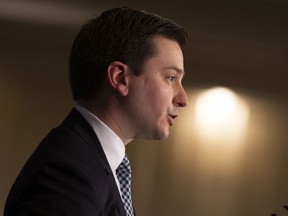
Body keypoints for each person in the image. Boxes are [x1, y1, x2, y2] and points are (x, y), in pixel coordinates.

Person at [4, 7, 188, 216]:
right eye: (171, 78)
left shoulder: (94, 163)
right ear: (120, 78)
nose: (183, 99)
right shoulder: (67, 173)